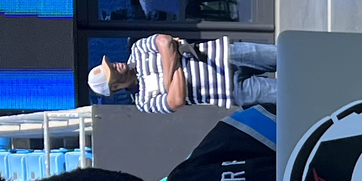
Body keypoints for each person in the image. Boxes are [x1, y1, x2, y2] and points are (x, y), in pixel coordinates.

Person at [88, 33, 279, 112]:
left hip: (227, 54)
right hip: (231, 90)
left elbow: (164, 41)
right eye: (112, 71)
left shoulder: (138, 50)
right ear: (115, 87)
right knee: (290, 94)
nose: (116, 65)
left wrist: (168, 83)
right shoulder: (143, 102)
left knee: (285, 55)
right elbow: (176, 101)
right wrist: (174, 59)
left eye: (111, 64)